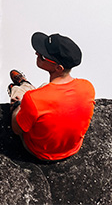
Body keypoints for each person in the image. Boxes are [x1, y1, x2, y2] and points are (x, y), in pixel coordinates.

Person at [8, 32, 95, 161]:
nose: (37, 54)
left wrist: (17, 107)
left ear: (59, 68)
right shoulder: (87, 87)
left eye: (42, 56)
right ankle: (24, 84)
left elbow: (17, 129)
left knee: (20, 97)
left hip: (40, 151)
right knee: (43, 88)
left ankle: (19, 88)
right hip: (72, 148)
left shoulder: (34, 99)